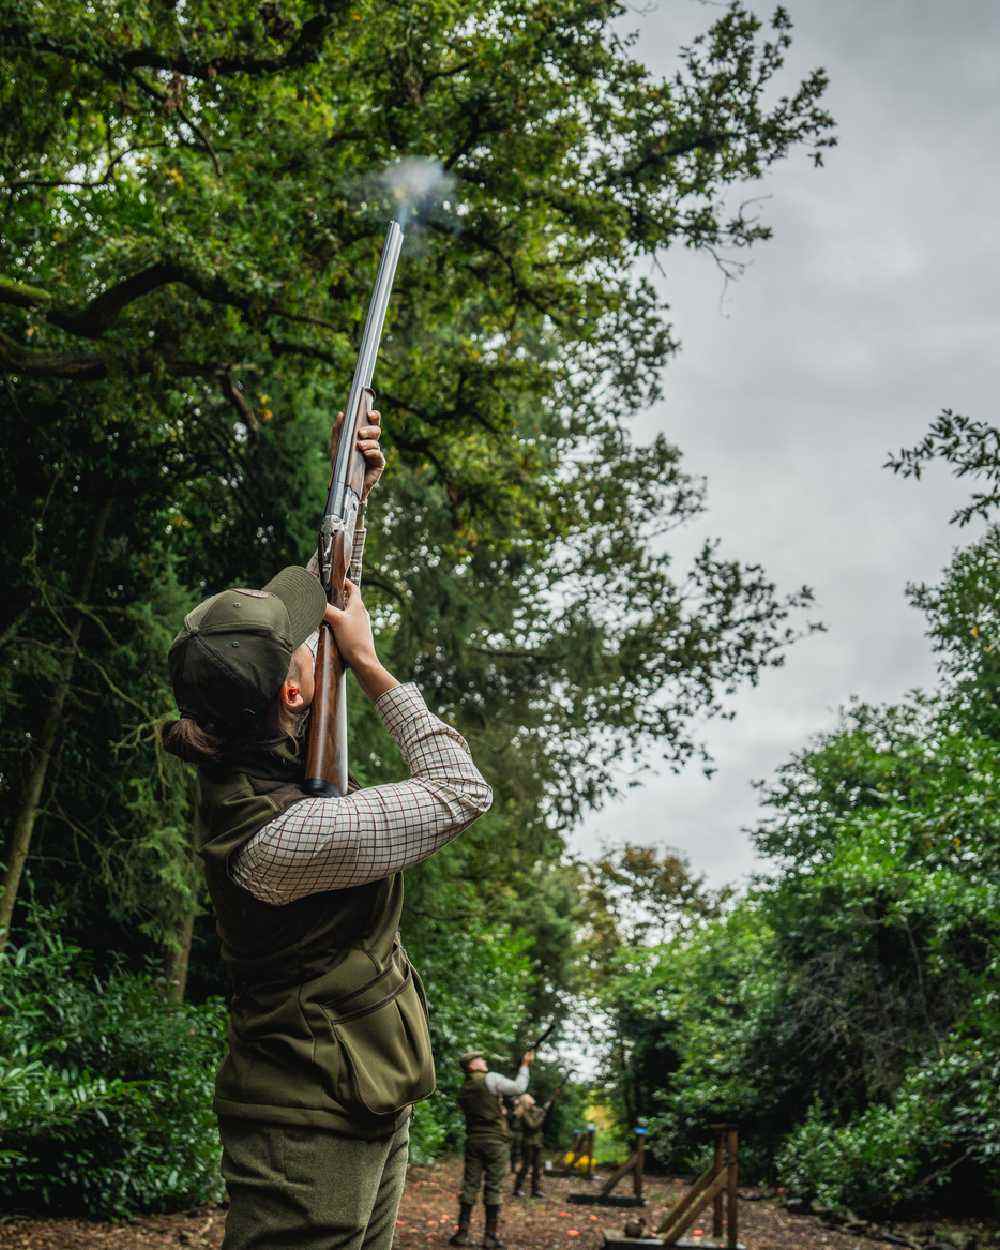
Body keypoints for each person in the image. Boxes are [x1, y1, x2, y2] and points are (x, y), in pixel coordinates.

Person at [162, 410, 493, 1250]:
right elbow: (462, 790)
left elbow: (324, 592)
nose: (317, 635)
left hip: (363, 1091)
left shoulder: (248, 736)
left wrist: (356, 487)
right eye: (303, 648)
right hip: (306, 1130)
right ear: (293, 695)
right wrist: (374, 667)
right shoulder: (284, 838)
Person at [450, 1049, 533, 1249]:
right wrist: (525, 1065)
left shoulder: (464, 1088)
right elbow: (519, 1087)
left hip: (473, 1141)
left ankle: (461, 1234)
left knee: (470, 1186)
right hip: (495, 1142)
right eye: (480, 1059)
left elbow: (471, 1110)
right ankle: (490, 1238)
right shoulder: (491, 1078)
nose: (484, 1061)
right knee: (493, 1186)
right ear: (472, 1065)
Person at [512, 1089, 558, 1198]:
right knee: (525, 1167)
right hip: (528, 1144)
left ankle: (535, 1190)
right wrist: (543, 1115)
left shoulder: (536, 1111)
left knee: (537, 1168)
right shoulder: (524, 1114)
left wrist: (552, 1101)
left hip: (537, 1143)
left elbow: (545, 1111)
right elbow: (533, 1125)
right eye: (530, 1101)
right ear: (526, 1103)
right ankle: (517, 1189)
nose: (532, 1103)